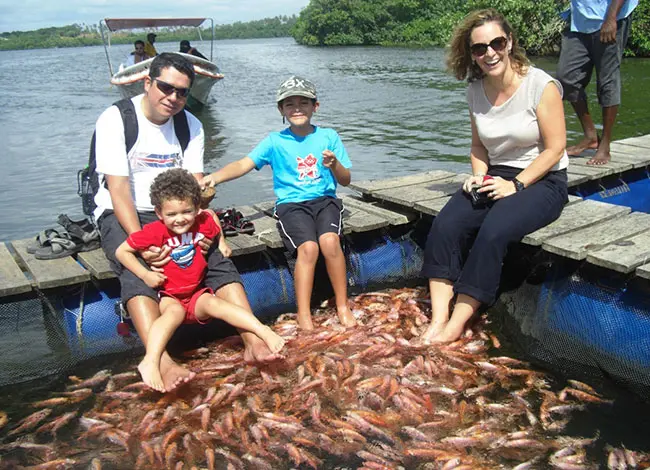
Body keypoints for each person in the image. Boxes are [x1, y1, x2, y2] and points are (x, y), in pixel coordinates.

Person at [94, 52, 283, 392]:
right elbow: (118, 190)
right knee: (137, 269)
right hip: (125, 210)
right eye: (166, 88)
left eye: (182, 92)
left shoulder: (190, 125)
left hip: (179, 209)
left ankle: (252, 338)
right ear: (147, 83)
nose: (173, 97)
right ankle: (160, 359)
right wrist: (145, 243)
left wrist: (206, 211)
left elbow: (196, 187)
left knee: (215, 257)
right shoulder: (116, 119)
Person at [418, 9, 569, 344]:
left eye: (496, 43)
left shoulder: (540, 85)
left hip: (543, 179)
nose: (489, 53)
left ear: (509, 42)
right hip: (496, 174)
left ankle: (457, 323)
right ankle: (438, 318)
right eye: (479, 48)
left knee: (494, 230)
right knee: (446, 225)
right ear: (471, 54)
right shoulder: (475, 90)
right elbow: (478, 146)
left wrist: (516, 185)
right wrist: (478, 175)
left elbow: (555, 148)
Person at [202, 76, 357, 331]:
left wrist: (335, 165)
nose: (297, 108)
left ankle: (342, 305)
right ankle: (303, 314)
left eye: (303, 103)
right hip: (292, 205)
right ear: (281, 110)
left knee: (330, 241)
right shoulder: (275, 141)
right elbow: (244, 164)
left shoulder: (329, 137)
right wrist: (215, 177)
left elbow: (346, 180)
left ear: (315, 106)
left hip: (325, 201)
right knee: (308, 248)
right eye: (290, 104)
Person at [115, 169, 285, 392]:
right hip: (170, 295)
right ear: (159, 213)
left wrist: (221, 243)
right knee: (173, 313)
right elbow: (122, 251)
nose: (180, 219)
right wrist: (145, 274)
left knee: (216, 304)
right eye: (171, 214)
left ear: (196, 208)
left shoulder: (202, 222)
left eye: (187, 211)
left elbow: (212, 219)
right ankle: (152, 360)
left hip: (196, 294)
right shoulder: (153, 232)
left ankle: (262, 331)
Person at [556, 0, 638, 165]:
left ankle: (605, 144)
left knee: (607, 80)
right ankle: (591, 136)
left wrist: (611, 18)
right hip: (580, 20)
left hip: (610, 17)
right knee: (566, 78)